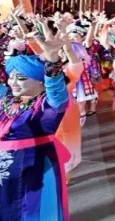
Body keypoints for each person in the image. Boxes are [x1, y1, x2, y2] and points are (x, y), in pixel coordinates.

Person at [0, 32, 71, 221]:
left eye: (21, 78)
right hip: (4, 169)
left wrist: (52, 59)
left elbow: (56, 89)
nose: (13, 83)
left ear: (41, 80)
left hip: (35, 166)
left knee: (33, 211)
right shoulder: (7, 99)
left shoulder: (48, 106)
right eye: (11, 77)